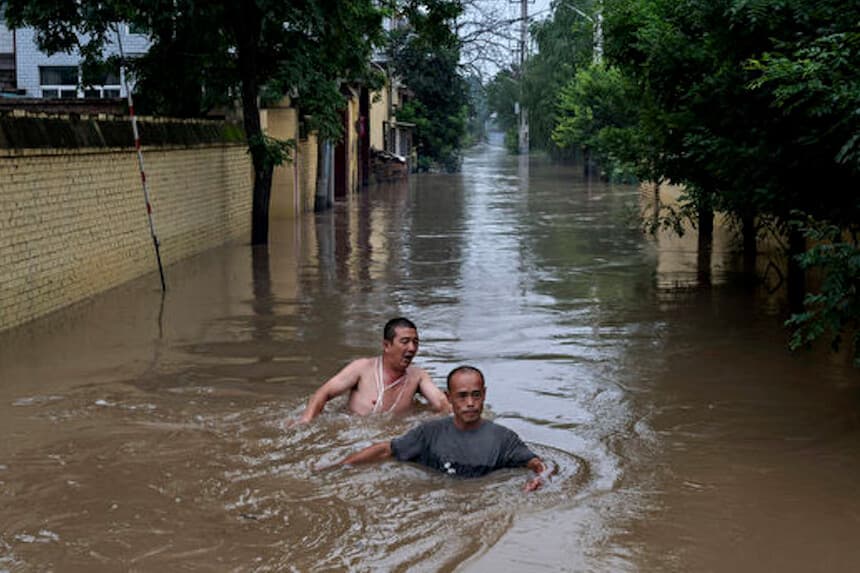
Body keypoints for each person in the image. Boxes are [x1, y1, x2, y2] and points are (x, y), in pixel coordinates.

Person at [326, 365, 549, 491]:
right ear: (449, 398)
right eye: (462, 396)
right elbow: (386, 449)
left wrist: (542, 479)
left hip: (483, 500)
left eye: (476, 395)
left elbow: (539, 464)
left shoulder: (503, 438)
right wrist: (340, 465)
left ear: (484, 396)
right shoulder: (428, 433)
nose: (470, 402)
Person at [294, 317, 450, 424]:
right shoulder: (361, 368)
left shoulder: (418, 376)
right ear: (386, 345)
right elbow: (322, 393)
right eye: (405, 342)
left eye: (415, 342)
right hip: (353, 431)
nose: (412, 348)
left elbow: (441, 403)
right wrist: (305, 422)